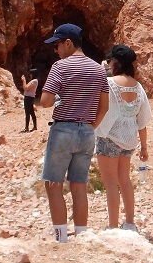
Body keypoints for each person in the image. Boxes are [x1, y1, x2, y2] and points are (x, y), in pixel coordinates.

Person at [38, 24, 109, 242]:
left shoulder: (60, 67)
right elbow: (104, 106)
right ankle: (81, 235)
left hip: (63, 129)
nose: (56, 50)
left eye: (58, 44)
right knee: (79, 185)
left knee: (53, 184)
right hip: (87, 131)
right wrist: (90, 126)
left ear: (68, 43)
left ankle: (61, 237)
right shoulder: (99, 69)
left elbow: (45, 102)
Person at [93, 45, 152, 231]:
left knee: (110, 184)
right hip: (129, 140)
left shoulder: (109, 83)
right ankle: (130, 223)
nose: (109, 63)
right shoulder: (138, 86)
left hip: (109, 137)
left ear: (115, 62)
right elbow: (142, 121)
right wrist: (144, 147)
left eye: (110, 60)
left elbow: (98, 107)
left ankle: (112, 226)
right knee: (124, 181)